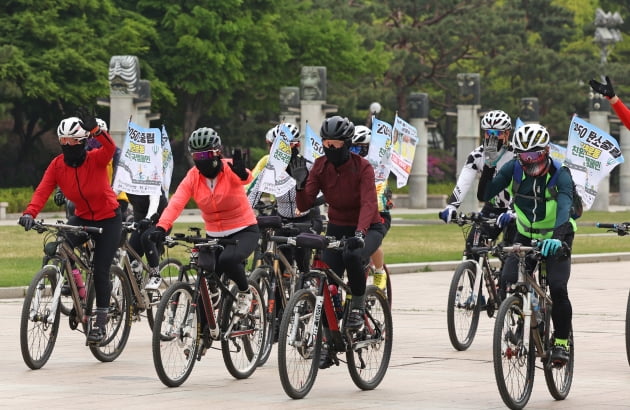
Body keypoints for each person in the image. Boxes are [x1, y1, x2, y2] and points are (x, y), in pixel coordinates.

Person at [19, 115, 122, 343]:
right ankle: (76, 287)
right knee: (58, 247)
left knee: (101, 269)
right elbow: (43, 190)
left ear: (83, 141)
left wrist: (95, 129)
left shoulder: (96, 159)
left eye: (72, 141)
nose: (66, 145)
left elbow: (110, 147)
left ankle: (102, 322)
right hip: (82, 217)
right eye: (62, 140)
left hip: (109, 219)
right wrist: (29, 213)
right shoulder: (57, 165)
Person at [482, 123, 575, 366]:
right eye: (523, 155)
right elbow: (485, 193)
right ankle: (525, 317)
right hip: (525, 235)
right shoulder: (514, 169)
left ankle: (562, 342)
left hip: (557, 235)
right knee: (507, 280)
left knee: (557, 286)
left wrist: (557, 239)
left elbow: (565, 209)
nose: (528, 161)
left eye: (533, 155)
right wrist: (489, 167)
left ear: (546, 152)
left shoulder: (560, 174)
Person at [289, 116, 386, 335]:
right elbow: (304, 204)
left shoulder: (363, 167)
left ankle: (358, 307)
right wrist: (300, 184)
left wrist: (360, 233)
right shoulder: (321, 166)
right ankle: (328, 339)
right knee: (324, 277)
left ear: (348, 143)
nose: (330, 148)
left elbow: (369, 203)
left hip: (368, 227)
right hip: (337, 226)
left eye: (336, 144)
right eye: (326, 143)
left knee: (352, 255)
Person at [149, 127, 259, 316]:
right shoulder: (193, 176)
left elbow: (246, 177)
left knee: (228, 260)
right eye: (197, 156)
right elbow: (177, 202)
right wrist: (162, 226)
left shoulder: (230, 167)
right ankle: (204, 333)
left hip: (243, 229)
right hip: (214, 233)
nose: (203, 160)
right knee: (206, 273)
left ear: (217, 152)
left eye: (207, 154)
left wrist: (242, 174)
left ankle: (245, 292)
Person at [247, 122, 323, 273]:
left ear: (297, 146)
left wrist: (308, 202)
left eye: (287, 147)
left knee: (302, 258)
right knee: (280, 261)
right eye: (275, 147)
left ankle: (304, 283)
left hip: (306, 218)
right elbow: (254, 193)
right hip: (282, 217)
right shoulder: (270, 169)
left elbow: (326, 193)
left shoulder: (308, 166)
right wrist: (245, 213)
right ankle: (280, 288)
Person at [439, 110, 517, 255]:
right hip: (492, 207)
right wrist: (451, 206)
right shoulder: (477, 155)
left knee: (510, 254)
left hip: (516, 208)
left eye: (498, 133)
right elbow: (463, 182)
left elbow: (521, 187)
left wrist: (512, 211)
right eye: (489, 132)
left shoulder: (517, 155)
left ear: (507, 134)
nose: (493, 137)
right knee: (472, 248)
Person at [349, 125, 393, 290]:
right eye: (351, 147)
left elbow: (382, 190)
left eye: (358, 148)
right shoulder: (349, 164)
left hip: (378, 212)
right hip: (355, 212)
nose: (354, 151)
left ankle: (379, 271)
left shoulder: (378, 164)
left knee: (372, 240)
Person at [126, 190, 168, 290]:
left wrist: (149, 218)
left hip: (159, 218)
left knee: (147, 237)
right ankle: (134, 293)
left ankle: (155, 275)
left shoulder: (150, 176)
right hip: (140, 220)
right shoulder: (125, 177)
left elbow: (154, 199)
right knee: (130, 253)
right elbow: (113, 194)